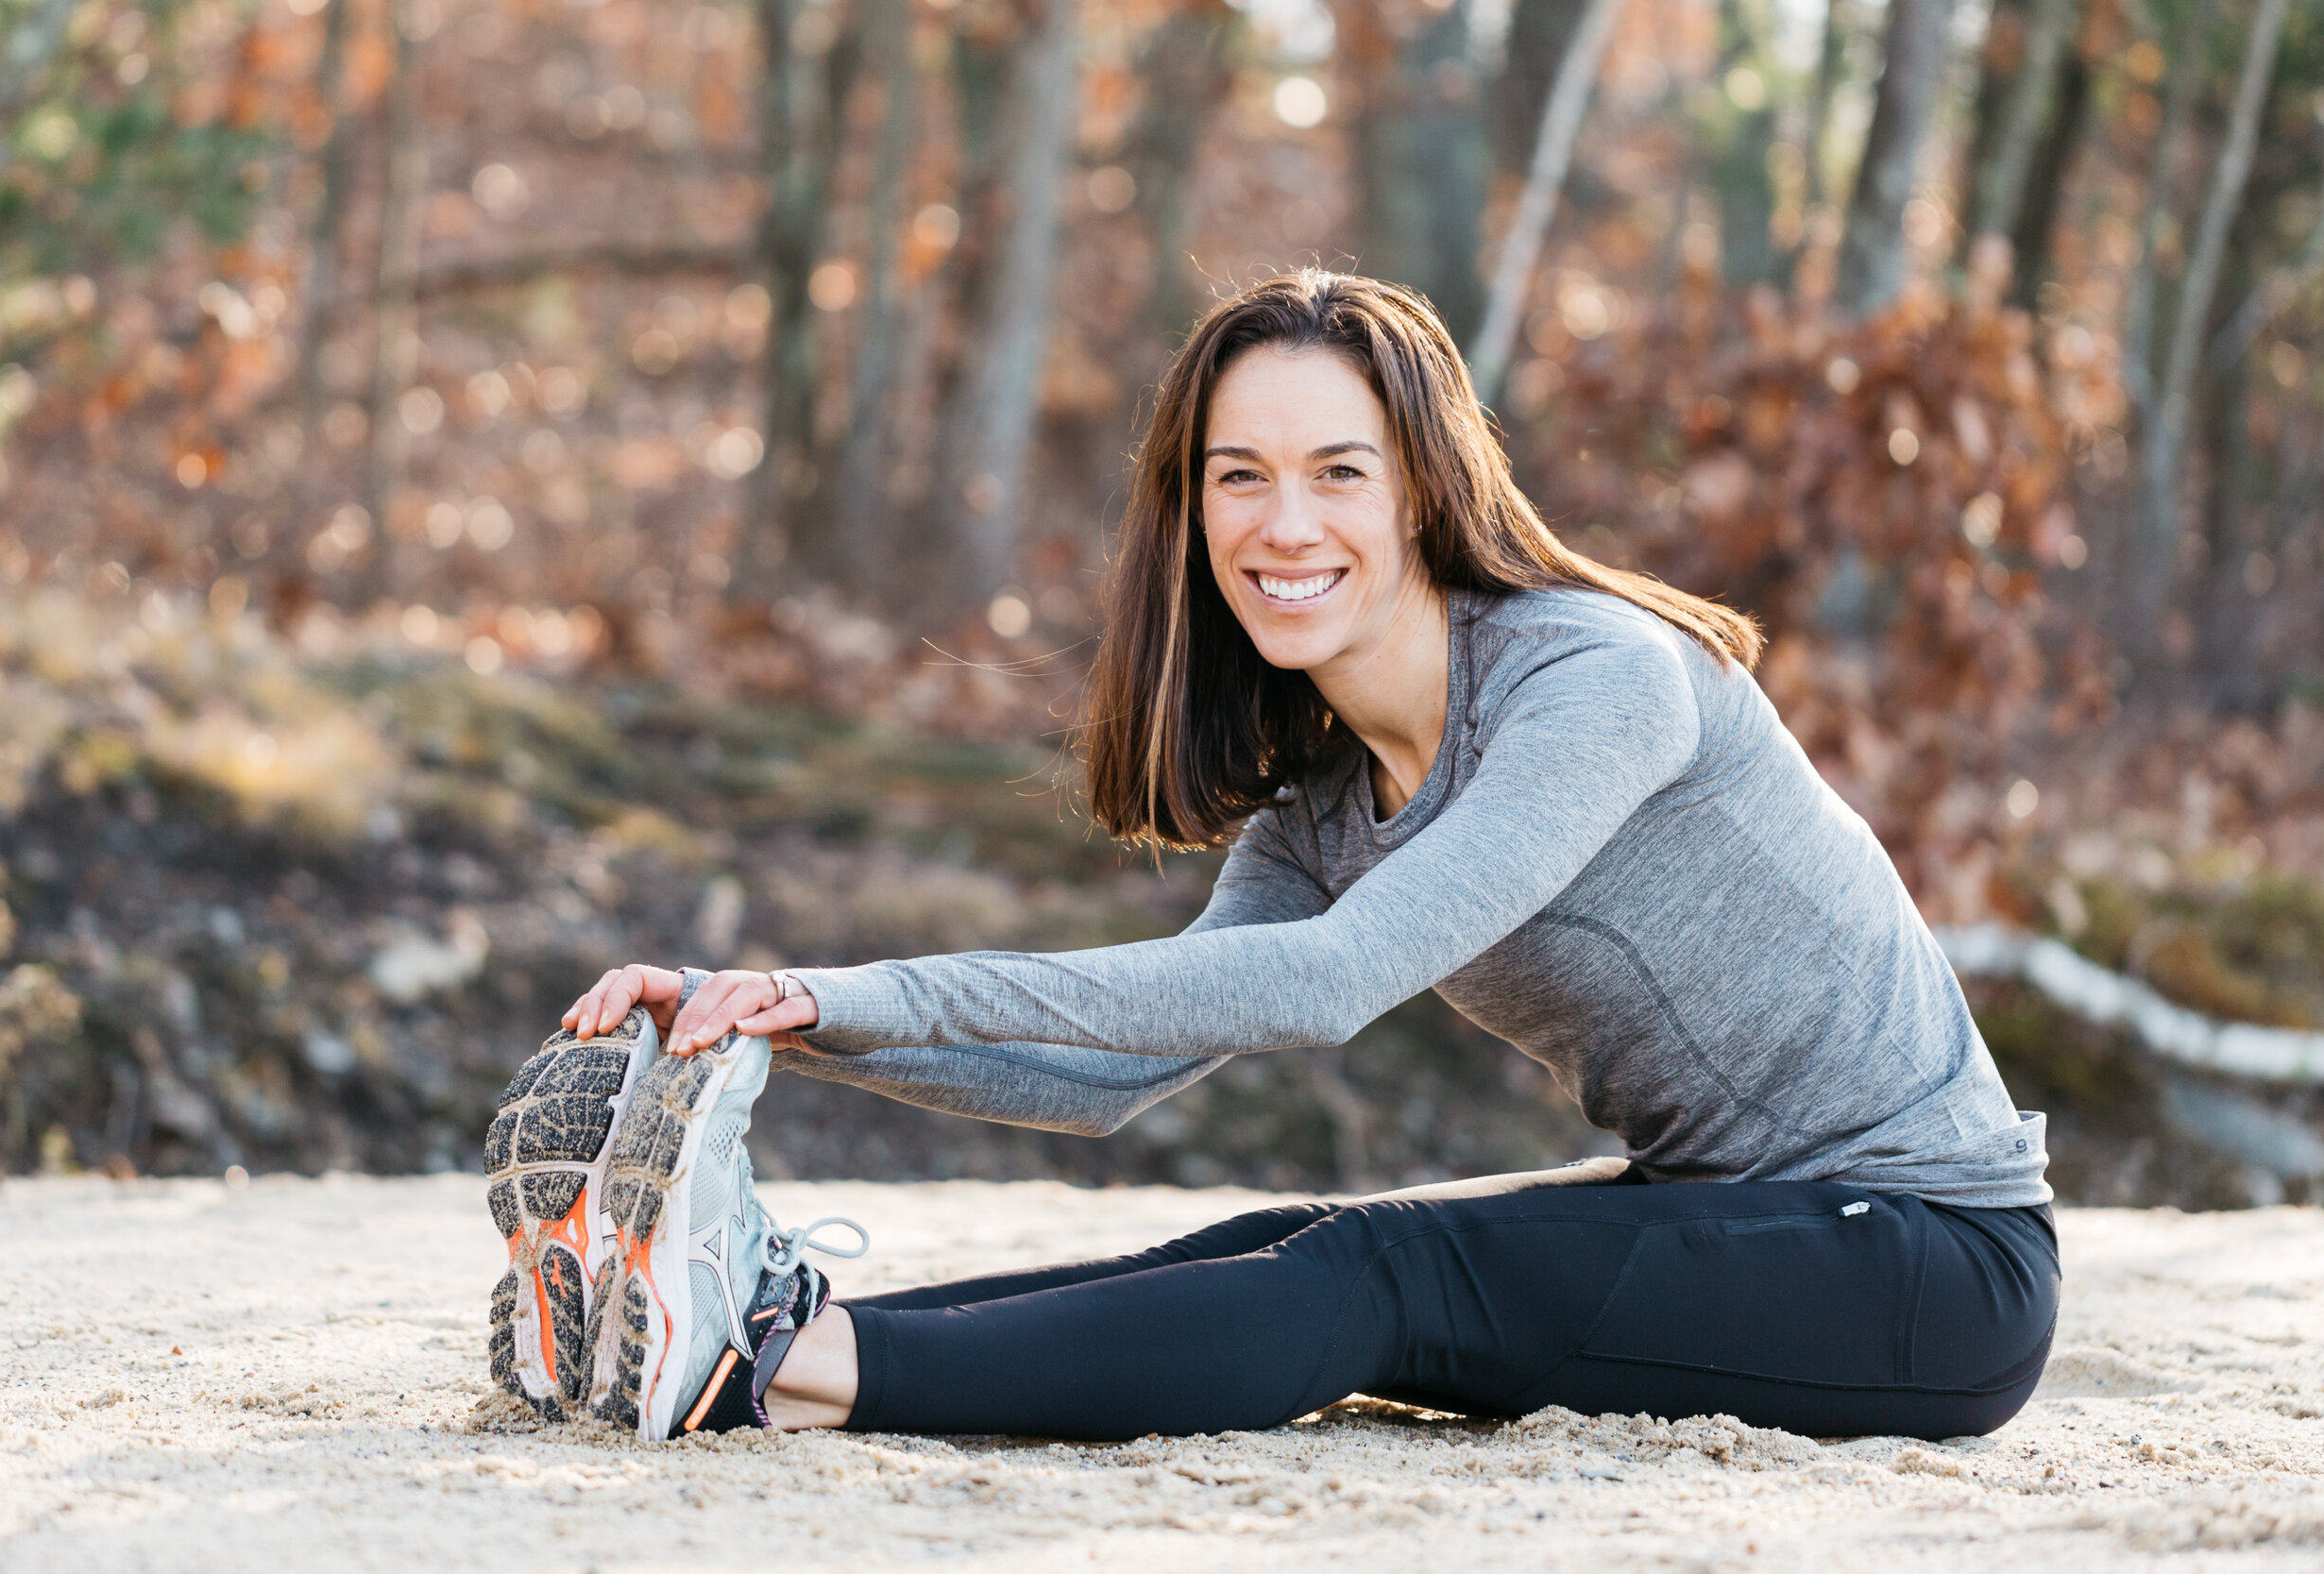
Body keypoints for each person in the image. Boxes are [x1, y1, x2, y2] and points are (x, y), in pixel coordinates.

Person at [483, 269, 2057, 1446]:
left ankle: (769, 1366)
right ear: (1192, 508)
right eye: (1240, 475)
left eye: (1337, 473)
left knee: (1379, 1276)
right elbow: (1103, 1079)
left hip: (1927, 1260)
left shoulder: (1598, 677)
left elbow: (1329, 982)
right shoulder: (1321, 799)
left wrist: (855, 979)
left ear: (1426, 489)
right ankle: (723, 1336)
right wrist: (787, 1021)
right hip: (1743, 1217)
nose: (1282, 523)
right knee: (1273, 1247)